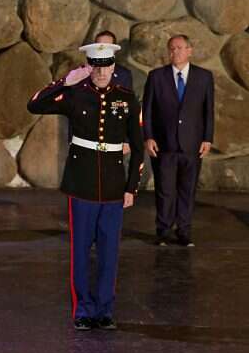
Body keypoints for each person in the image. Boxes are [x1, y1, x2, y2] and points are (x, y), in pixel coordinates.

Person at [27, 42, 144, 331]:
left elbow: (138, 148)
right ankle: (83, 309)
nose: (101, 71)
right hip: (81, 184)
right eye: (96, 65)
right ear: (88, 66)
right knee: (80, 251)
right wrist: (65, 82)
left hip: (115, 186)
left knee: (109, 252)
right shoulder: (74, 95)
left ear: (114, 67)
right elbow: (35, 104)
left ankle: (104, 309)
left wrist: (132, 188)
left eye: (106, 65)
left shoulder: (126, 98)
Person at [142, 34, 214, 247]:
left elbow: (208, 111)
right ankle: (163, 231)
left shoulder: (204, 77)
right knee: (165, 189)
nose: (176, 52)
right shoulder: (156, 76)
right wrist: (149, 136)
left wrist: (207, 138)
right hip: (164, 143)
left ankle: (184, 231)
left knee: (187, 189)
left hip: (192, 145)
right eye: (172, 48)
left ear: (190, 50)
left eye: (180, 48)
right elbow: (147, 110)